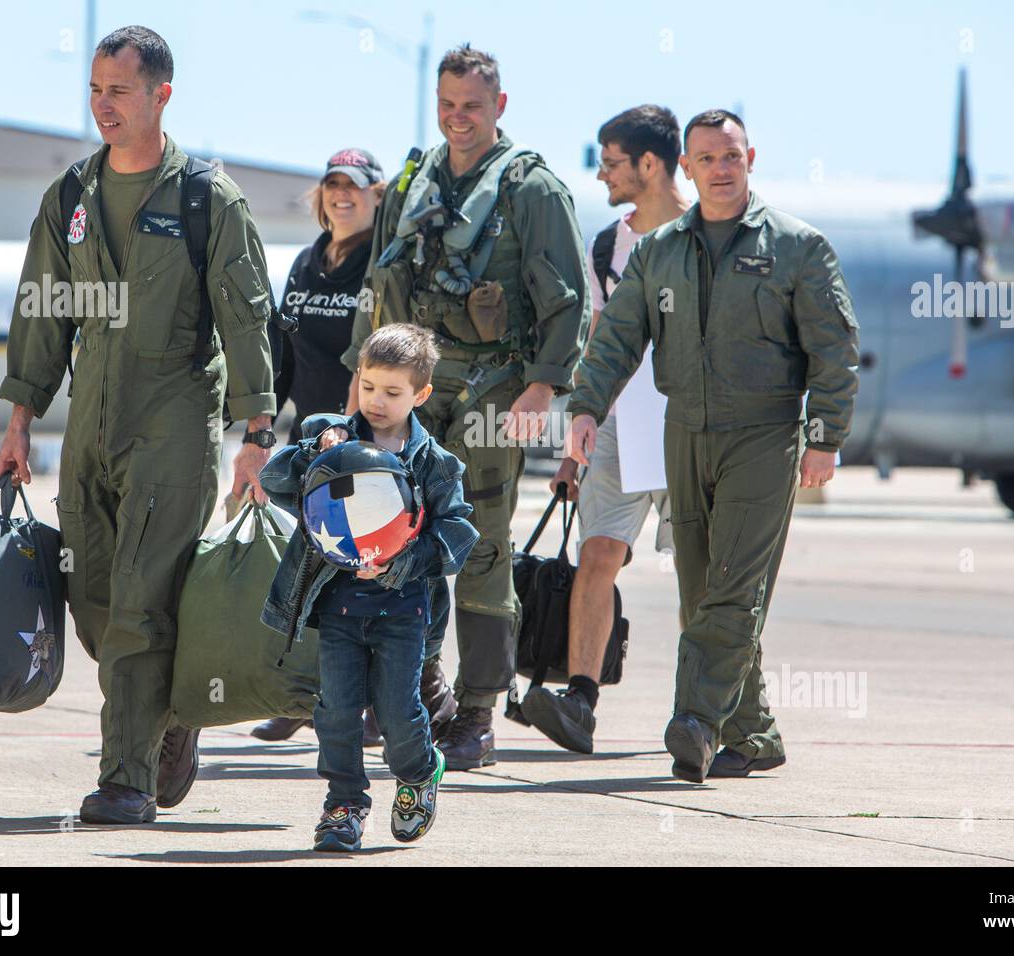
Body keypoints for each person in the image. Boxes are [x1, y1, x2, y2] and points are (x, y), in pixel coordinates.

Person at [0, 25, 278, 824]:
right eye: (95, 89)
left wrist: (256, 435)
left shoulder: (207, 199)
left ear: (162, 95)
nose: (102, 105)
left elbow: (249, 320)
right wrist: (20, 422)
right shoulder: (71, 197)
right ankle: (174, 712)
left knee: (142, 604)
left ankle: (126, 778)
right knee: (90, 600)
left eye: (119, 90)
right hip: (92, 419)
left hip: (175, 417)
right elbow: (42, 314)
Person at [565, 109, 860, 783]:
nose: (720, 169)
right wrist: (586, 407)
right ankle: (752, 733)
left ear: (750, 158)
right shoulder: (659, 249)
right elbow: (616, 338)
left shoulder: (798, 246)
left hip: (765, 433)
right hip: (684, 430)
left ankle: (695, 719)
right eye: (707, 159)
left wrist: (826, 438)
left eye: (731, 156)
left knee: (733, 587)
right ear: (687, 168)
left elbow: (834, 350)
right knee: (700, 591)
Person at [343, 44, 590, 771]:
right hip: (412, 390)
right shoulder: (416, 176)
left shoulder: (531, 188)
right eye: (448, 105)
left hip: (490, 393)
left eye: (472, 107)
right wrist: (364, 378)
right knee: (390, 539)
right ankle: (421, 690)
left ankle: (479, 712)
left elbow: (567, 300)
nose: (458, 119)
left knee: (480, 546)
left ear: (500, 107)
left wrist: (543, 387)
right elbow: (378, 284)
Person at [259, 325, 480, 851]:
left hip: (403, 612)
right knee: (335, 711)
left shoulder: (437, 465)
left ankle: (419, 772)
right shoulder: (329, 436)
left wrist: (406, 561)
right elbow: (275, 483)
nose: (377, 401)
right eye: (370, 386)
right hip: (337, 607)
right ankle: (343, 804)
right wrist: (316, 448)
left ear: (421, 395)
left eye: (393, 392)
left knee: (399, 713)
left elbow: (458, 532)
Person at [524, 105, 690, 754]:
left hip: (691, 426)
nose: (601, 176)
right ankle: (579, 701)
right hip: (621, 424)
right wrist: (575, 440)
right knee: (597, 555)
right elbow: (598, 342)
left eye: (611, 162)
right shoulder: (606, 245)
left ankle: (708, 710)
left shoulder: (712, 234)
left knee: (700, 575)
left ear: (649, 164)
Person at [250, 147, 389, 745]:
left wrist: (358, 436)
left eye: (354, 186)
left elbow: (381, 356)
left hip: (362, 446)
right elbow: (282, 355)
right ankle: (305, 695)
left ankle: (387, 705)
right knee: (310, 573)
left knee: (372, 577)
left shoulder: (380, 267)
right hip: (310, 442)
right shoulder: (307, 264)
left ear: (377, 195)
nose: (341, 194)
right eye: (332, 184)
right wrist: (260, 434)